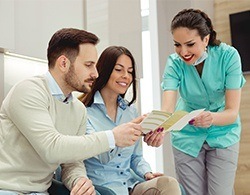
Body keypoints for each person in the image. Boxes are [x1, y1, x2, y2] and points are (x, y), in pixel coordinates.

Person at [0, 28, 143, 195]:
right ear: (63, 63)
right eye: (88, 65)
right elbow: (52, 148)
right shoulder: (29, 91)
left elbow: (71, 162)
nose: (95, 73)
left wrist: (79, 180)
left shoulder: (78, 109)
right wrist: (112, 137)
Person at [149, 8, 246, 195]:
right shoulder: (174, 63)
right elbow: (168, 107)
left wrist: (211, 118)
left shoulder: (229, 56)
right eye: (177, 45)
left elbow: (232, 112)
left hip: (223, 133)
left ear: (206, 39)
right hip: (186, 135)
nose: (183, 52)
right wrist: (160, 129)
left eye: (190, 44)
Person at [80, 46, 181, 195]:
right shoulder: (84, 112)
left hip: (130, 186)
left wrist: (147, 173)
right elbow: (102, 156)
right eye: (119, 69)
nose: (126, 76)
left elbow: (136, 157)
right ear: (104, 70)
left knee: (168, 184)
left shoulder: (131, 111)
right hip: (102, 189)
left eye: (130, 71)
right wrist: (127, 131)